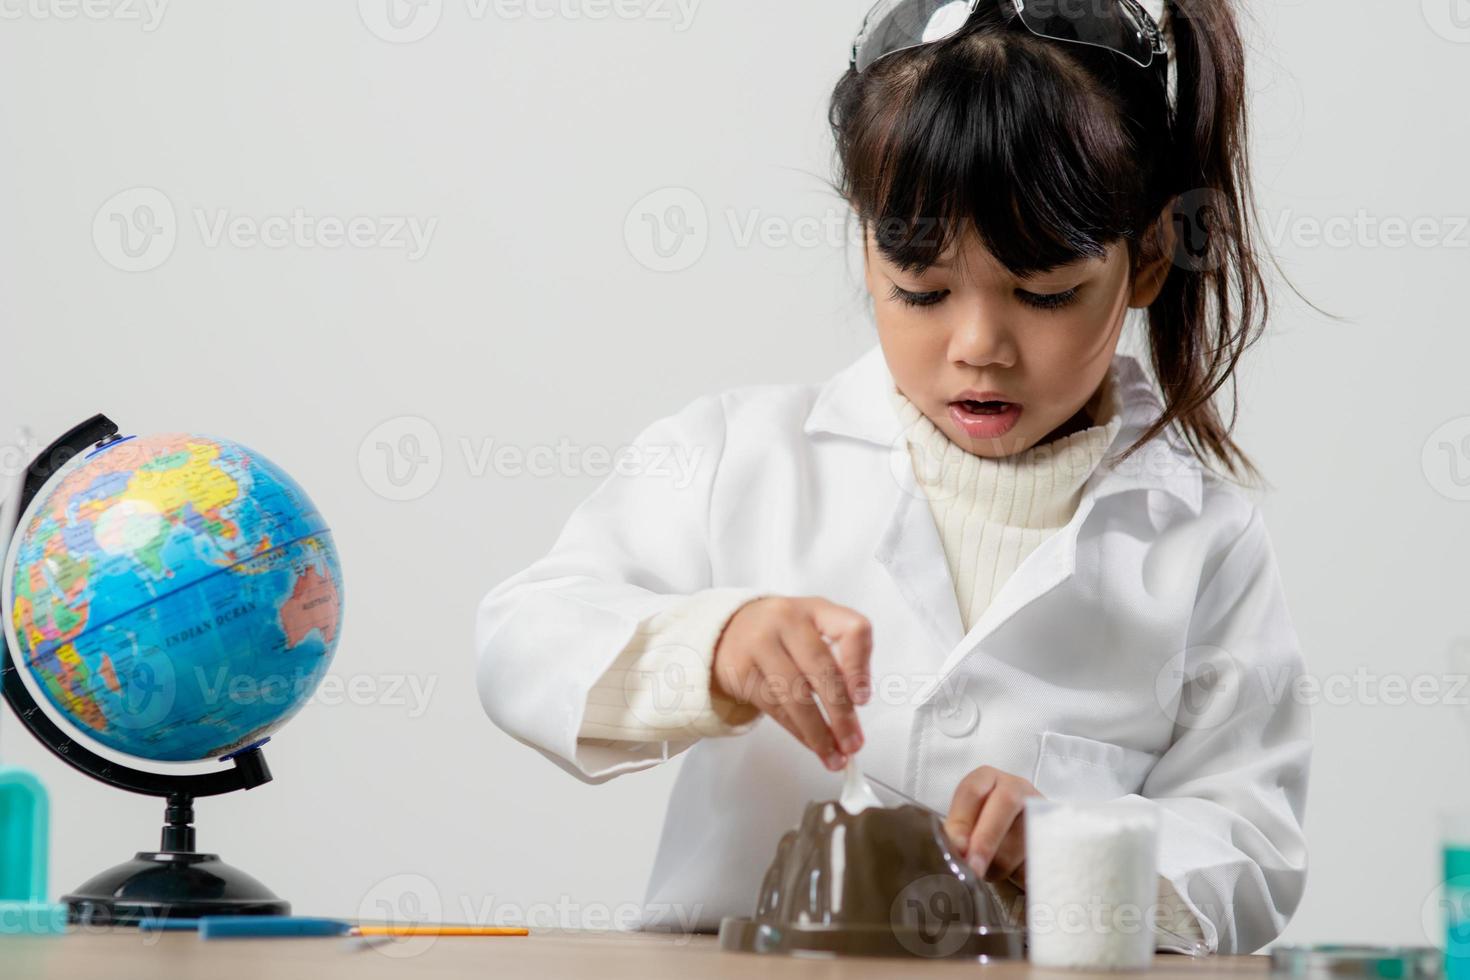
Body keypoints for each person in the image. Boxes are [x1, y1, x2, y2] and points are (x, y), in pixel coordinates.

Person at [475, 0, 1310, 955]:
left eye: (1045, 295)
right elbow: (520, 642)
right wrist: (713, 648)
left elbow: (1251, 845)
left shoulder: (1203, 544)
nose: (978, 347)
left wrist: (1082, 850)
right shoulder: (734, 458)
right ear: (866, 244)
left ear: (1150, 257)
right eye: (922, 290)